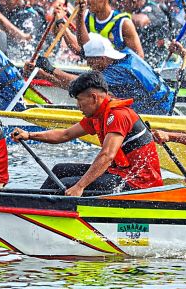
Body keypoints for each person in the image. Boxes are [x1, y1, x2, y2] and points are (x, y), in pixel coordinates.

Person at [12, 72, 162, 196]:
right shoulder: (98, 115)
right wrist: (29, 135)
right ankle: (36, 204)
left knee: (66, 185)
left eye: (79, 100)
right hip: (118, 173)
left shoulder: (118, 115)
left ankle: (41, 211)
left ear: (94, 98)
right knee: (60, 169)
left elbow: (107, 155)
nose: (78, 106)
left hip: (138, 183)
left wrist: (80, 186)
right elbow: (65, 135)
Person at [31, 35, 173, 116]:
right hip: (165, 104)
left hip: (158, 113)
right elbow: (79, 88)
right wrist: (44, 75)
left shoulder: (118, 72)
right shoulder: (128, 54)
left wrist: (51, 69)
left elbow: (82, 83)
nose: (89, 65)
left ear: (102, 58)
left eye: (91, 61)